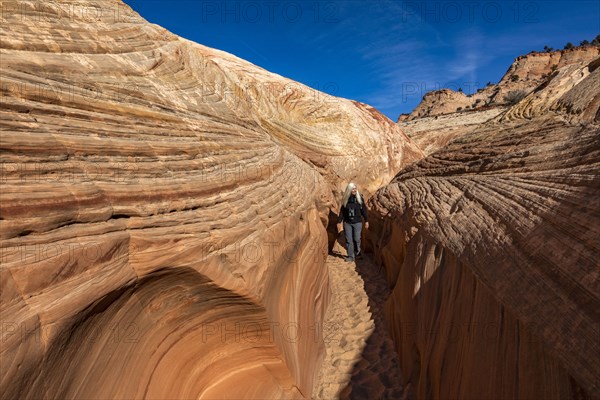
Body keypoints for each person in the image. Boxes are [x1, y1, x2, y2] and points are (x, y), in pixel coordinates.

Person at [336, 183, 369, 262]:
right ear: (349, 190)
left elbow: (363, 210)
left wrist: (367, 221)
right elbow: (342, 211)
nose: (354, 190)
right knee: (348, 240)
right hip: (347, 222)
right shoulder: (345, 199)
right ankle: (351, 256)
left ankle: (358, 254)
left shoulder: (359, 198)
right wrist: (339, 221)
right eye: (352, 189)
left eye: (355, 188)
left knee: (357, 239)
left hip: (357, 222)